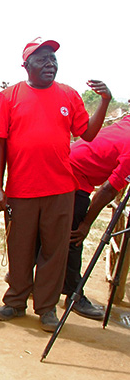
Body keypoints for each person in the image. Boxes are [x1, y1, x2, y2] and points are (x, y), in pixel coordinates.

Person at [0, 37, 110, 332]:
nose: (49, 64)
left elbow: (88, 134)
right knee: (19, 248)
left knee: (55, 251)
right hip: (21, 189)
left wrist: (105, 101)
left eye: (53, 59)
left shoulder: (68, 95)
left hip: (60, 189)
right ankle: (15, 301)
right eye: (41, 59)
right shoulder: (9, 96)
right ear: (25, 65)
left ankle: (46, 309)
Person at [63, 111, 127, 320]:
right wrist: (87, 223)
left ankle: (31, 282)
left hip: (65, 166)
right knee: (74, 236)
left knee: (52, 232)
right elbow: (109, 190)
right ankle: (74, 295)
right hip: (73, 178)